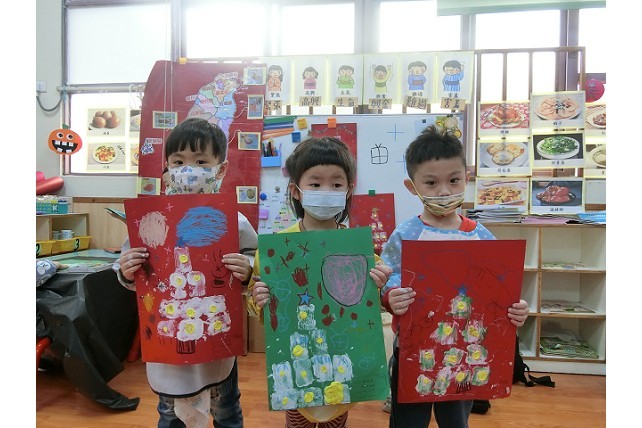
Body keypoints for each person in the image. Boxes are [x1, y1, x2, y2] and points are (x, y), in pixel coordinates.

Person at [379, 125, 529, 428]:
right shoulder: (405, 234)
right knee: (408, 421)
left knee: (456, 420)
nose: (444, 191)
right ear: (412, 186)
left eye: (453, 180)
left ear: (467, 179)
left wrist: (516, 309)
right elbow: (389, 279)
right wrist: (390, 297)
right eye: (431, 183)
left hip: (464, 350)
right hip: (413, 349)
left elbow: (500, 290)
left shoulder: (481, 236)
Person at [113, 117, 258, 428]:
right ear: (167, 168)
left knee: (227, 410)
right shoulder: (151, 219)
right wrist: (126, 270)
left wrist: (247, 271)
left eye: (201, 161)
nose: (188, 169)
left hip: (217, 341)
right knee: (170, 415)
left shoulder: (234, 221)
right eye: (179, 162)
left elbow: (255, 266)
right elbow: (128, 271)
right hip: (168, 343)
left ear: (220, 169)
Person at [247, 137, 393, 428]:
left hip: (343, 360)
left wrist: (380, 285)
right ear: (296, 190)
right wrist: (260, 299)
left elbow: (373, 307)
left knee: (336, 419)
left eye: (336, 184)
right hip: (298, 359)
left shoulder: (360, 250)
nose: (326, 191)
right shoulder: (276, 250)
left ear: (349, 190)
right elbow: (257, 306)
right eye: (315, 184)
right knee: (297, 421)